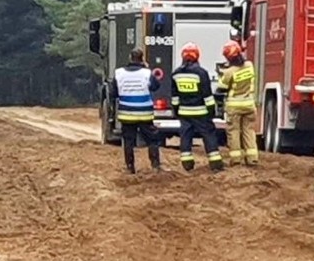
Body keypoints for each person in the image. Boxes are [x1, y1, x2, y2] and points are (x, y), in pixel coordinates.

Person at [171, 42, 224, 172]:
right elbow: (207, 95)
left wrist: (176, 111)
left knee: (185, 137)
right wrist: (212, 112)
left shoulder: (176, 74)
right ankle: (215, 164)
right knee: (208, 135)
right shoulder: (201, 73)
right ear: (197, 56)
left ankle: (187, 164)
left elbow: (175, 97)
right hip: (201, 113)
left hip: (184, 113)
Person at [110, 48, 162, 173]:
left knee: (128, 141)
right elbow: (156, 86)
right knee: (152, 140)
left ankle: (130, 167)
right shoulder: (146, 73)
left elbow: (113, 93)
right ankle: (155, 165)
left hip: (126, 114)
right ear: (142, 58)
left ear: (130, 58)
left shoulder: (119, 73)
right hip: (144, 114)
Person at [216, 40, 258, 166]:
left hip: (234, 106)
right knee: (248, 131)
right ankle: (252, 158)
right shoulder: (250, 65)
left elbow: (221, 88)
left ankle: (236, 160)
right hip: (249, 105)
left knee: (234, 132)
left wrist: (221, 73)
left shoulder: (229, 72)